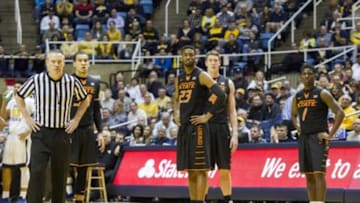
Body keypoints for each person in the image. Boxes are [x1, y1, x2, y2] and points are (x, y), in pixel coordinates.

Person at [15, 50, 89, 203]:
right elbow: (19, 95)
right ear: (47, 63)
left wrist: (75, 120)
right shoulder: (36, 80)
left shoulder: (72, 82)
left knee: (60, 175)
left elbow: (85, 100)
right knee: (37, 172)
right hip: (41, 132)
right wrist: (28, 118)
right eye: (53, 61)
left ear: (64, 64)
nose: (56, 65)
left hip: (62, 133)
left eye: (59, 62)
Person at [173, 45, 226, 203]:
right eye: (186, 55)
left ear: (195, 57)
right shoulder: (179, 78)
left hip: (199, 127)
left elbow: (221, 95)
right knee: (191, 170)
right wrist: (175, 113)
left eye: (191, 55)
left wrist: (207, 116)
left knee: (201, 169)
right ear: (181, 58)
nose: (189, 57)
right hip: (185, 127)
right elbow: (175, 99)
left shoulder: (202, 75)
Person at [291, 64, 344, 203]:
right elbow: (293, 114)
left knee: (318, 174)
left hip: (318, 138)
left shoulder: (322, 93)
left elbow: (340, 113)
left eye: (310, 73)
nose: (307, 76)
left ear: (314, 76)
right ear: (301, 77)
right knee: (308, 175)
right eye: (304, 74)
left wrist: (330, 135)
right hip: (304, 138)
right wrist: (297, 126)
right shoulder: (297, 96)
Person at [202, 50, 238, 203]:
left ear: (220, 62)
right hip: (205, 128)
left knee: (225, 169)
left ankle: (228, 199)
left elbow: (232, 110)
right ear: (206, 63)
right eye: (210, 60)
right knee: (203, 171)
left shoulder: (228, 83)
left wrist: (235, 134)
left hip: (222, 128)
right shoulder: (200, 82)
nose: (213, 62)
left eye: (216, 60)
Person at [70, 52, 106, 202]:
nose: (83, 63)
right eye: (80, 60)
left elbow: (96, 110)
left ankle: (79, 198)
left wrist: (101, 132)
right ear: (74, 63)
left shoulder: (95, 83)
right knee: (67, 165)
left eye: (86, 60)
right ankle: (66, 193)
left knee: (84, 167)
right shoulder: (68, 81)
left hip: (87, 129)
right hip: (70, 129)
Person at [1, 83, 34, 203]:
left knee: (23, 167)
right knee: (6, 167)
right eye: (15, 87)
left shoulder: (30, 101)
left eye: (20, 87)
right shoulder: (11, 101)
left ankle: (23, 196)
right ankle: (5, 196)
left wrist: (28, 130)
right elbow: (3, 119)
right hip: (11, 137)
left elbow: (37, 117)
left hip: (23, 138)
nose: (17, 89)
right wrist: (4, 101)